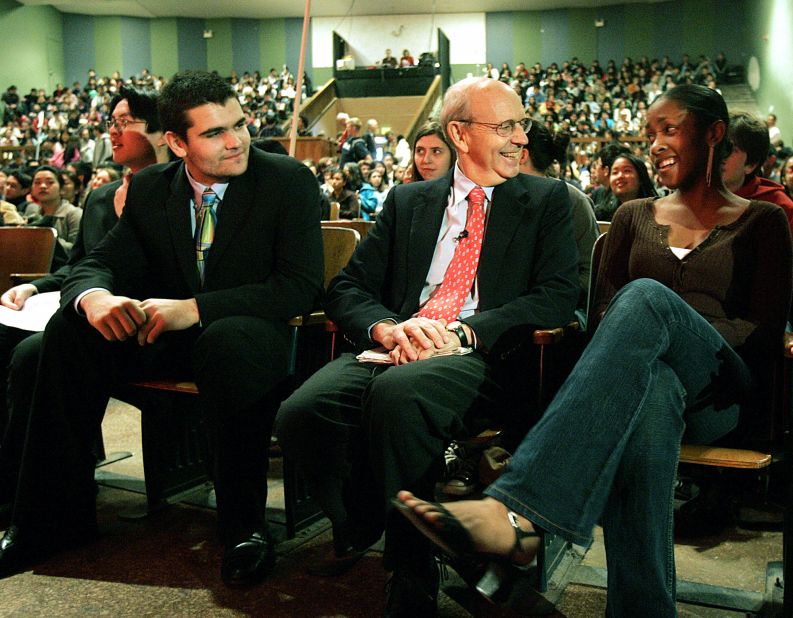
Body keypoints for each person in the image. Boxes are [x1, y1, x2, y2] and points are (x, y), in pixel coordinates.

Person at [396, 84, 792, 617]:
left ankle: (519, 514)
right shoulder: (632, 218)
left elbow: (762, 329)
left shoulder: (764, 221)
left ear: (715, 134)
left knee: (648, 300)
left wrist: (677, 327)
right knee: (652, 394)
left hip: (723, 390)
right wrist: (656, 343)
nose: (654, 144)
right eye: (650, 133)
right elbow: (605, 319)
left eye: (669, 130)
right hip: (650, 385)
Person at [0, 71, 323, 589]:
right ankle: (51, 521)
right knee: (64, 330)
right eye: (214, 133)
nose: (236, 140)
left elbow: (299, 287)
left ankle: (244, 527)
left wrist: (193, 308)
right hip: (165, 338)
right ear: (176, 143)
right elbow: (97, 262)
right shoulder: (152, 187)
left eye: (239, 124)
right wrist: (96, 297)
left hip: (251, 336)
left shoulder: (287, 179)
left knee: (227, 342)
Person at [275, 76, 579, 615]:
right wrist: (389, 328)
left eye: (521, 125)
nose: (520, 139)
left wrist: (464, 331)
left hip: (481, 354)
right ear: (460, 134)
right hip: (397, 343)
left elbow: (558, 296)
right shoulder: (409, 200)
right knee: (303, 412)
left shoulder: (548, 200)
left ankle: (409, 566)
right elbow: (347, 288)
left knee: (398, 398)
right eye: (505, 126)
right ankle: (380, 522)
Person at [0, 85, 170, 502]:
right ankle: (10, 479)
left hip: (142, 323)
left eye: (124, 123)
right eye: (110, 123)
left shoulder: (177, 193)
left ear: (160, 130)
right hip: (88, 314)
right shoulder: (100, 198)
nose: (112, 132)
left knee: (33, 354)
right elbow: (80, 267)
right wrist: (34, 286)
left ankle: (47, 494)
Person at [519, 122, 598, 312]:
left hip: (563, 308)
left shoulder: (573, 200)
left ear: (522, 155)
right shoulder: (501, 197)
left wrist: (551, 296)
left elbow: (591, 272)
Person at [722, 111, 793, 234]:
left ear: (751, 165)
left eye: (729, 149)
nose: (719, 155)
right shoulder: (696, 191)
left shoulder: (779, 207)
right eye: (716, 145)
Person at [23, 166, 83, 253]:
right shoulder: (32, 212)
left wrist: (47, 237)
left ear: (61, 189)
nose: (42, 186)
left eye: (50, 182)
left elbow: (76, 251)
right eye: (37, 182)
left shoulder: (75, 214)